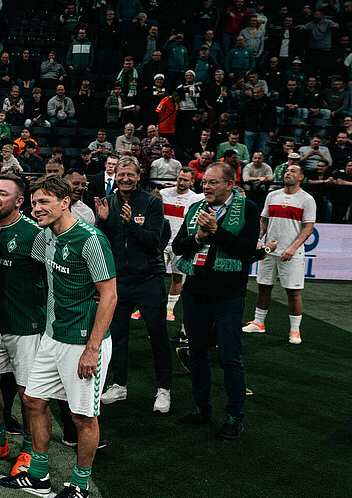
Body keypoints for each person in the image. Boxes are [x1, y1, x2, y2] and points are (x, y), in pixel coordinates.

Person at [0, 174, 117, 498]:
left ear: (66, 203)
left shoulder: (90, 239)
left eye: (44, 202)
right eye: (34, 203)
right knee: (33, 400)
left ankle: (80, 484)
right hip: (51, 338)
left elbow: (109, 296)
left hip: (82, 343)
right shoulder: (45, 239)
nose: (37, 209)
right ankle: (38, 474)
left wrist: (92, 348)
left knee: (82, 418)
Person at [172, 162, 261, 440]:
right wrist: (199, 236)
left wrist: (216, 232)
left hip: (228, 295)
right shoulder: (195, 209)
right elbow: (178, 247)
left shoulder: (248, 209)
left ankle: (235, 416)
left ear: (229, 185)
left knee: (229, 357)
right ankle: (202, 409)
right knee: (196, 354)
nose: (205, 187)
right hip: (196, 292)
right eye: (205, 182)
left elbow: (248, 251)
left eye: (212, 182)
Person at [0, 174, 45, 477]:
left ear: (19, 202)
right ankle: (0, 443)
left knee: (29, 394)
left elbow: (53, 274)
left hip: (25, 327)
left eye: (3, 194)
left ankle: (29, 449)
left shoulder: (34, 233)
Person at [95, 157, 173, 413]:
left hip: (148, 279)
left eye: (130, 174)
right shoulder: (109, 202)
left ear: (139, 176)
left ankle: (164, 389)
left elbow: (154, 241)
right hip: (119, 282)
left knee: (158, 336)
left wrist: (131, 227)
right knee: (117, 337)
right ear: (115, 176)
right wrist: (103, 221)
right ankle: (119, 385)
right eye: (121, 174)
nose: (125, 179)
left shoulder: (152, 202)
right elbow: (101, 242)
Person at [243, 165, 315, 344]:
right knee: (263, 286)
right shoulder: (272, 195)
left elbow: (308, 228)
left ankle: (295, 330)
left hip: (292, 253)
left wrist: (292, 248)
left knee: (293, 292)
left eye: (293, 171)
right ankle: (259, 323)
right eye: (287, 171)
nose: (288, 173)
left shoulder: (307, 199)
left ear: (301, 177)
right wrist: (259, 239)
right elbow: (264, 220)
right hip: (269, 251)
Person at [160, 168, 204, 338]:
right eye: (180, 179)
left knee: (178, 278)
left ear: (192, 182)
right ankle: (147, 308)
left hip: (181, 245)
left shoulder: (195, 199)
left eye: (186, 180)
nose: (182, 182)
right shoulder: (163, 193)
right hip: (162, 244)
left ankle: (169, 309)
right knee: (155, 277)